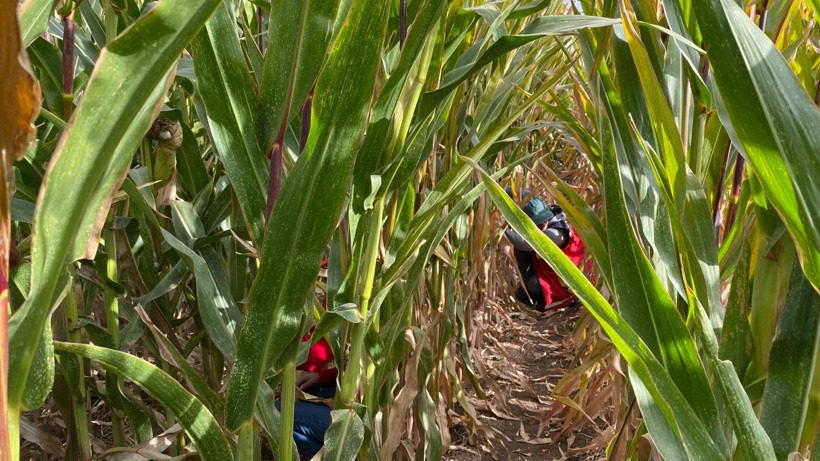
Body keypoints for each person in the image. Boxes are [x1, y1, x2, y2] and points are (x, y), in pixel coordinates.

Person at [504, 186, 586, 311]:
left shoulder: (556, 234)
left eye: (541, 223)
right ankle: (531, 293)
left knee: (534, 284)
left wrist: (501, 226)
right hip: (554, 267)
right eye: (536, 224)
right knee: (520, 252)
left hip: (569, 279)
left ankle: (536, 296)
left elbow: (523, 244)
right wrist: (502, 188)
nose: (542, 226)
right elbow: (525, 195)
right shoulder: (542, 210)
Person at [276, 325, 337, 458]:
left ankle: (342, 454)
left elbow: (320, 350)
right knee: (305, 393)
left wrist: (272, 355)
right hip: (347, 395)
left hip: (367, 413)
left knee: (275, 414)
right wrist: (320, 377)